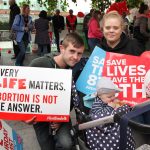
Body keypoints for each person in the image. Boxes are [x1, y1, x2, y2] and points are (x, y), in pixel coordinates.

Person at [25, 33, 85, 150]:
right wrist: (25, 117)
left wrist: (60, 118)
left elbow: (71, 99)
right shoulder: (40, 64)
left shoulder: (76, 70)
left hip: (61, 116)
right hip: (39, 118)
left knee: (66, 143)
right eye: (72, 51)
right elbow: (21, 92)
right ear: (62, 48)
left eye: (79, 53)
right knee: (47, 147)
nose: (75, 57)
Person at [86, 77, 135, 150]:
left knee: (123, 110)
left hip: (115, 119)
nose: (112, 98)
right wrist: (110, 108)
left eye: (113, 95)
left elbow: (116, 106)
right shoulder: (97, 104)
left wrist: (118, 104)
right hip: (103, 126)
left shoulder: (107, 100)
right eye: (109, 97)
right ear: (99, 96)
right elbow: (98, 115)